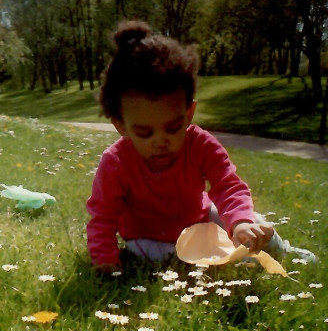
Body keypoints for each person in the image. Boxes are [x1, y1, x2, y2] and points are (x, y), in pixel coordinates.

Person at [86, 20, 316, 272]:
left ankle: (283, 251)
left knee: (254, 225)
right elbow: (103, 218)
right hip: (148, 239)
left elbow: (228, 185)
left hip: (199, 220)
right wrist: (105, 259)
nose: (161, 141)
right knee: (158, 257)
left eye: (173, 127)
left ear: (189, 113)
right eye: (144, 132)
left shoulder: (200, 143)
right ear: (121, 125)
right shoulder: (116, 161)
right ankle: (220, 260)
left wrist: (239, 223)